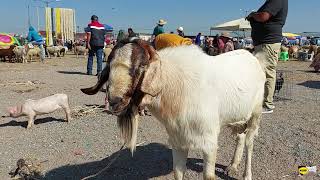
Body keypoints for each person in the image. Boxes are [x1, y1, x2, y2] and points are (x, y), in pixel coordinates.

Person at [246, 0, 288, 113]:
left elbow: (263, 16)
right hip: (265, 43)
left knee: (268, 73)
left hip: (268, 43)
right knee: (263, 73)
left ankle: (267, 104)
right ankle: (263, 102)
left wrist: (253, 15)